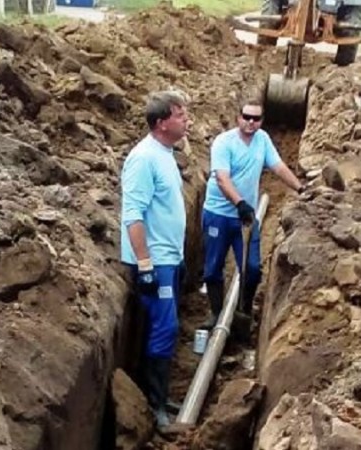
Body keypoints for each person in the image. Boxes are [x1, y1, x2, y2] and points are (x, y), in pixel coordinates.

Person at [200, 98, 305, 330]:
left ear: (261, 121)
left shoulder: (262, 140)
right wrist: (239, 203)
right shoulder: (223, 143)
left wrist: (300, 188)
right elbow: (222, 178)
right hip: (218, 213)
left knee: (253, 268)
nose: (250, 122)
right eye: (246, 117)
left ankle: (244, 310)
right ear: (238, 117)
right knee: (212, 269)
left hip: (245, 217)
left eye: (256, 119)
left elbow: (278, 167)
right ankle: (216, 314)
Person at [119, 90, 189, 430]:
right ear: (161, 123)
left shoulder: (165, 153)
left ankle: (159, 395)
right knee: (166, 327)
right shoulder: (143, 159)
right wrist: (145, 264)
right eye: (179, 115)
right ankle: (155, 405)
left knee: (163, 327)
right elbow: (133, 215)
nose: (186, 119)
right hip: (154, 262)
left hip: (168, 258)